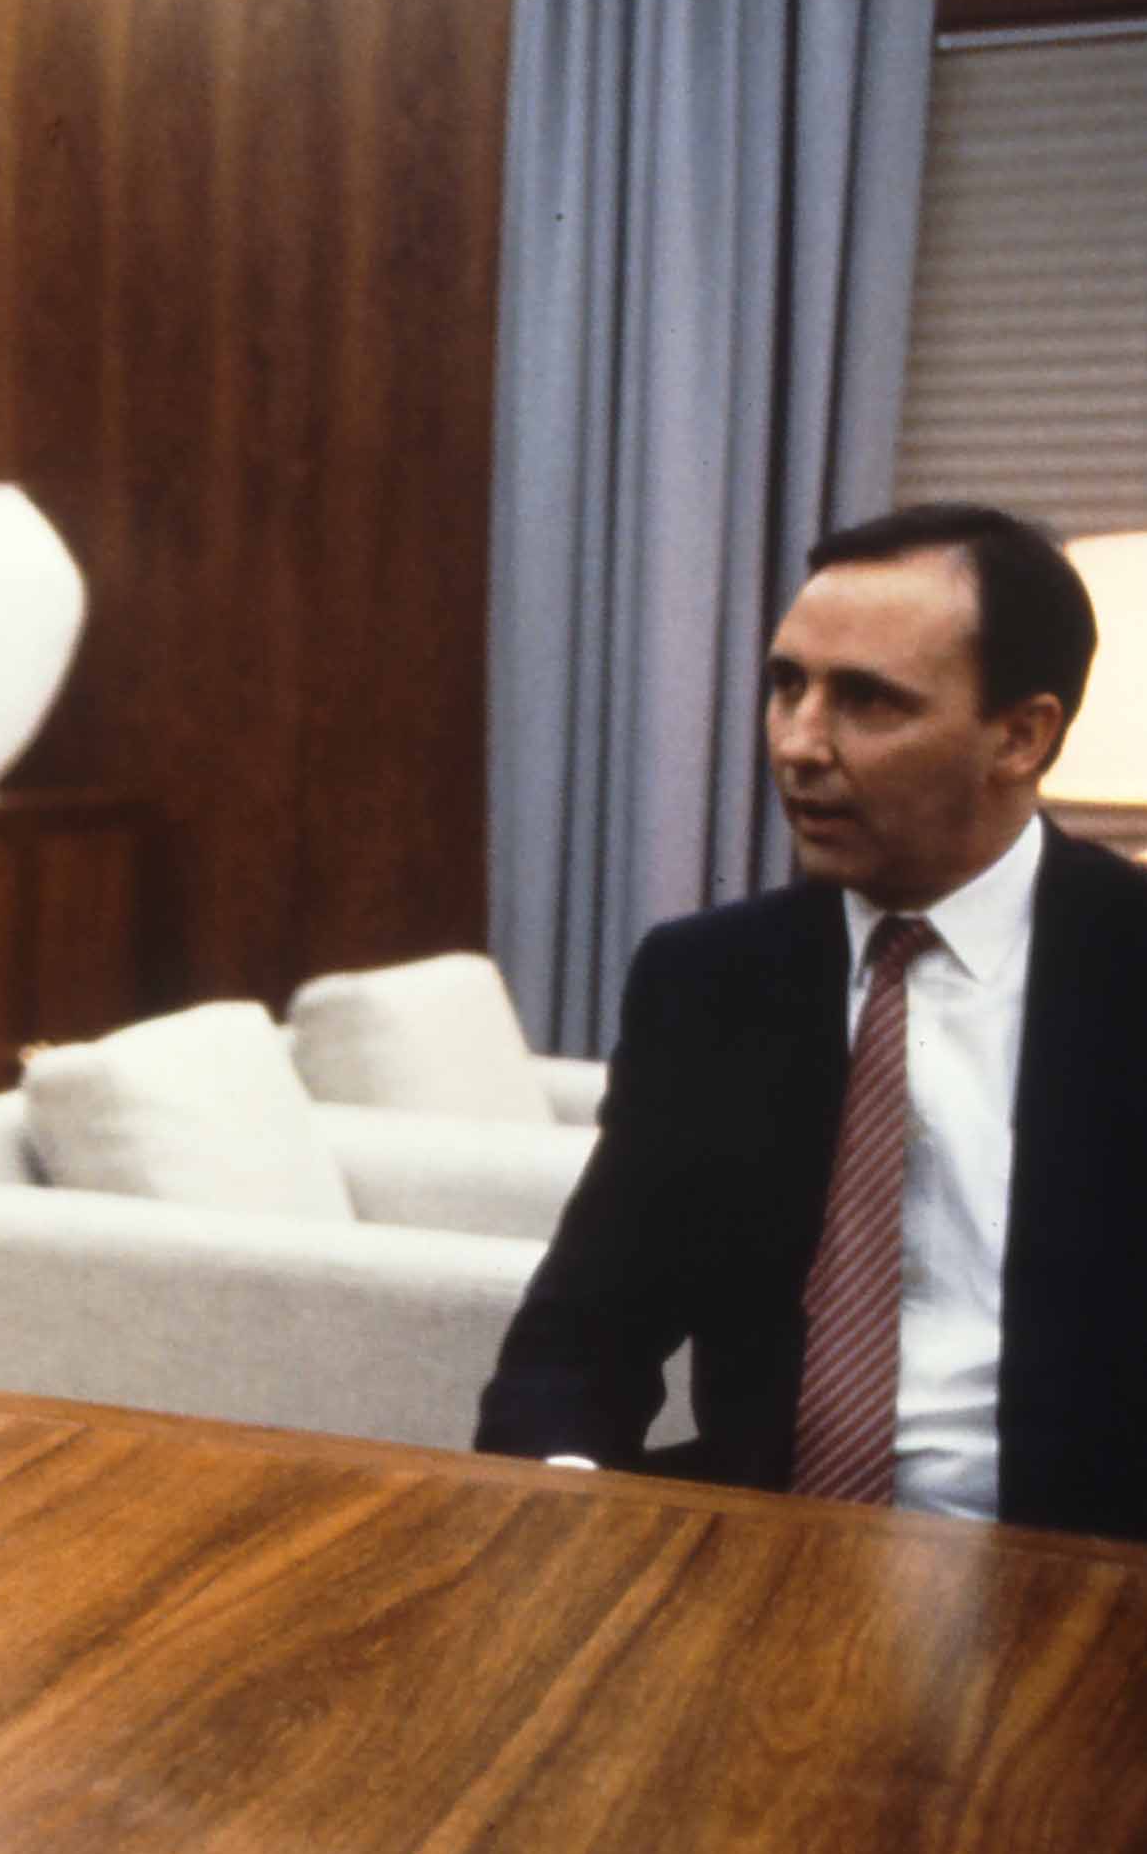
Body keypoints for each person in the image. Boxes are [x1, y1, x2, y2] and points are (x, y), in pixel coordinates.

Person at [476, 502, 1147, 1543]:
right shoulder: (710, 978)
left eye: (866, 701)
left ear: (1020, 736)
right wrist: (561, 1514)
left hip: (1076, 1569)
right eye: (787, 686)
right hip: (761, 1550)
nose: (797, 744)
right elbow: (582, 1334)